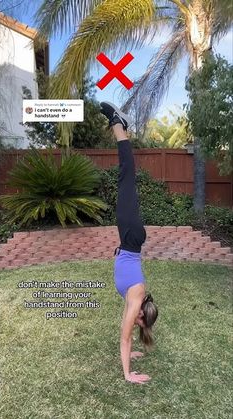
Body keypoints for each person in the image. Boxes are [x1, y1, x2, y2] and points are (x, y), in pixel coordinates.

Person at [100, 102, 159, 384]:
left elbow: (126, 335)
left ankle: (118, 125)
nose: (134, 321)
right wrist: (128, 375)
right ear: (142, 316)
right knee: (126, 176)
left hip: (130, 239)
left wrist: (133, 351)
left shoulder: (136, 300)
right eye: (140, 322)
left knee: (126, 179)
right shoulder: (136, 299)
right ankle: (118, 122)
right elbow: (124, 339)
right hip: (131, 237)